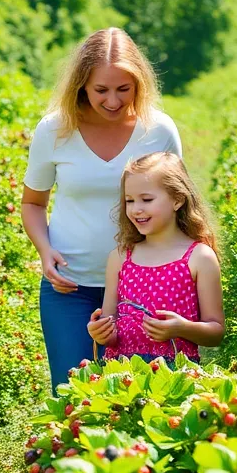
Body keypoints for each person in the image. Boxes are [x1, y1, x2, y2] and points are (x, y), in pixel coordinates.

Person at [21, 28, 182, 392]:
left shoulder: (158, 130)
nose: (112, 101)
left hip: (143, 286)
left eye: (123, 90)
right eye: (101, 90)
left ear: (139, 84)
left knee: (139, 397)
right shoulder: (55, 131)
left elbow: (179, 206)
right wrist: (45, 252)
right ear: (81, 85)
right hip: (70, 286)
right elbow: (33, 203)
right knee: (71, 392)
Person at [88, 152, 224, 363]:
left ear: (178, 200)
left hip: (174, 379)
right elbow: (111, 329)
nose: (136, 209)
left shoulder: (199, 257)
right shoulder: (120, 257)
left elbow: (216, 332)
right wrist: (101, 333)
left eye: (147, 199)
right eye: (129, 200)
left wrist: (182, 328)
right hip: (123, 376)